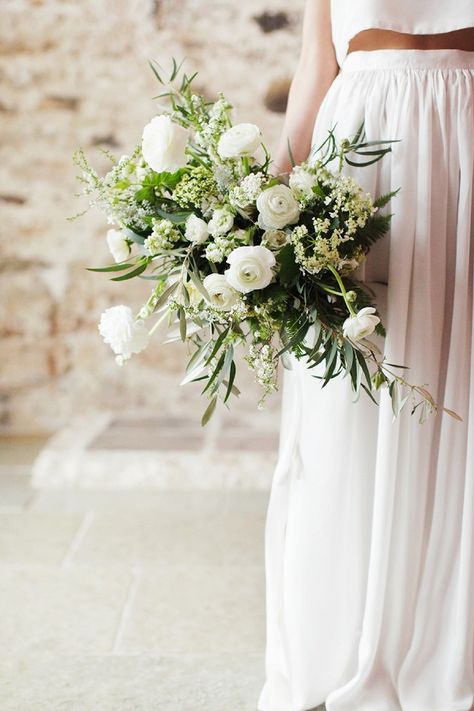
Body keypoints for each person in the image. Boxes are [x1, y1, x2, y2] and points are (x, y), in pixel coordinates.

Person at [258, 2, 474, 710]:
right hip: (358, 151)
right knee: (344, 396)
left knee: (459, 386)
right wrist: (263, 205)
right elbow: (318, 63)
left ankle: (445, 639)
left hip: (465, 137)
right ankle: (339, 640)